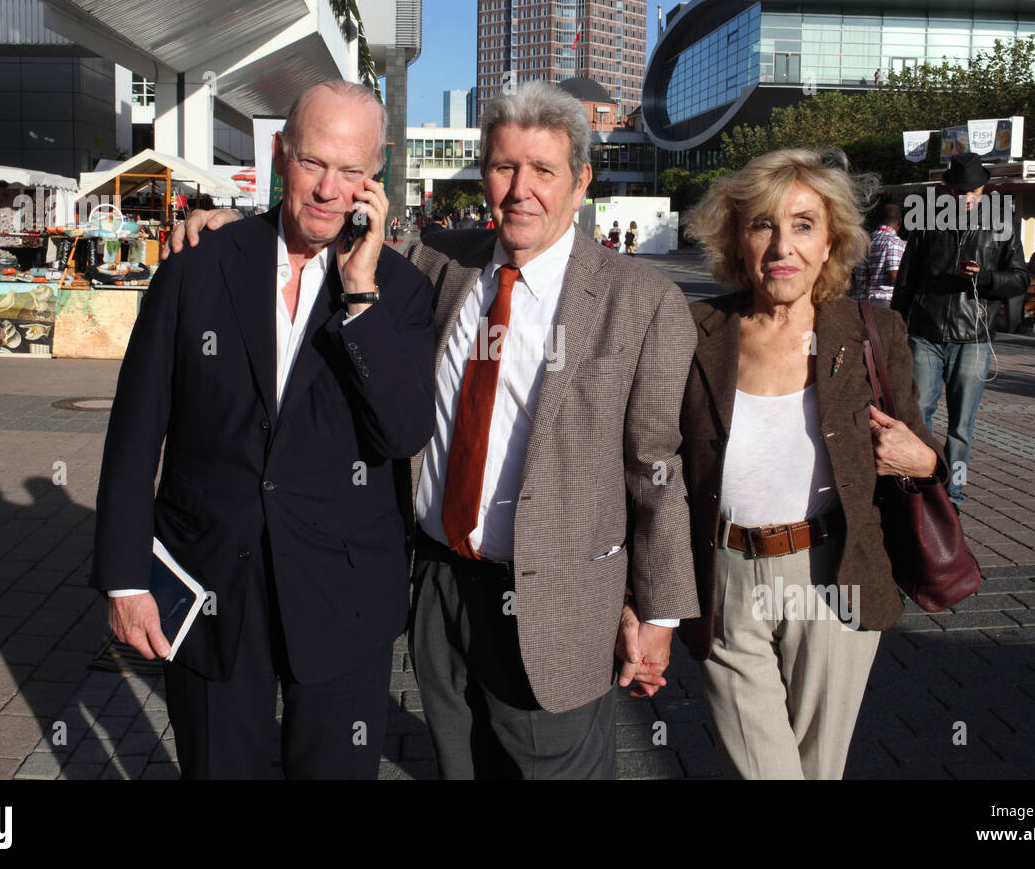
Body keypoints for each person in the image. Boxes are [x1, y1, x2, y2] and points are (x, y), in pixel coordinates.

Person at [173, 81, 699, 779]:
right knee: (460, 766)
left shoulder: (643, 302)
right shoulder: (440, 264)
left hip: (559, 601)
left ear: (580, 182)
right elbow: (316, 240)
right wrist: (226, 229)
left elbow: (656, 469)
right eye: (504, 167)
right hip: (441, 590)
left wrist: (658, 614)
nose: (520, 190)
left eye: (543, 170)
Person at [92, 80, 437, 779]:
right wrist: (125, 580)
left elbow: (402, 433)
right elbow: (135, 433)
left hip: (343, 596)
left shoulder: (397, 291)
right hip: (211, 583)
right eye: (313, 162)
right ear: (281, 156)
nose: (327, 189)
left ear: (376, 177)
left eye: (351, 171)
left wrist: (361, 294)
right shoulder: (197, 267)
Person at [680, 148, 946, 779]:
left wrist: (923, 459)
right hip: (723, 580)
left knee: (818, 770)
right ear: (737, 239)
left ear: (832, 243)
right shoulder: (695, 331)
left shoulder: (872, 331)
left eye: (804, 224)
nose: (783, 245)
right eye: (763, 224)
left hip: (832, 575)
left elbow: (922, 447)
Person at [891, 151, 1028, 505]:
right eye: (958, 192)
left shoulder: (1003, 223)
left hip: (975, 336)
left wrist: (987, 279)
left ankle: (953, 496)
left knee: (962, 425)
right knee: (919, 414)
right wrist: (895, 329)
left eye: (972, 192)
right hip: (926, 330)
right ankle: (921, 490)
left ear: (984, 189)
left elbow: (1020, 279)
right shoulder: (926, 222)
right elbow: (905, 280)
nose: (965, 198)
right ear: (947, 190)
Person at [848, 202, 905, 307]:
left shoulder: (863, 242)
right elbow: (893, 274)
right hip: (884, 301)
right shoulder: (893, 242)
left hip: (860, 302)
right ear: (899, 222)